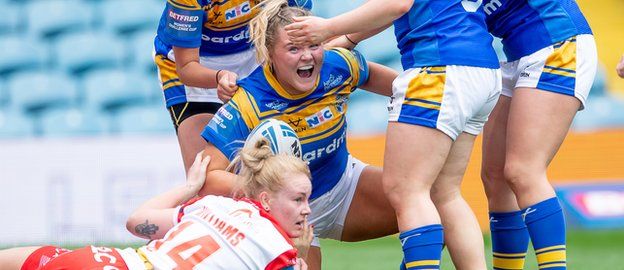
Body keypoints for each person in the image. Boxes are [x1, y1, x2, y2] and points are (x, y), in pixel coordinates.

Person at [284, 1, 502, 269]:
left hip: (439, 65)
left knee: (407, 191)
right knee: (445, 194)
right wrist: (347, 38)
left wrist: (327, 27)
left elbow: (397, 4)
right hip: (481, 67)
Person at [197, 1, 400, 269]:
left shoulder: (336, 65)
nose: (307, 56)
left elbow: (384, 80)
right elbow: (207, 178)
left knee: (428, 207)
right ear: (269, 54)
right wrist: (267, 189)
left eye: (313, 45)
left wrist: (422, 96)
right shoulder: (248, 101)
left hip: (342, 187)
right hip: (281, 212)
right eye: (293, 48)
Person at [0, 139, 313, 270]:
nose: (307, 209)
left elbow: (137, 221)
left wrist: (189, 187)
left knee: (29, 257)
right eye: (298, 198)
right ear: (266, 200)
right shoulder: (278, 252)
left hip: (103, 260)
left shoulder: (213, 204)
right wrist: (299, 255)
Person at [477, 1, 597, 269]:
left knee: (523, 171)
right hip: (516, 54)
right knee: (495, 177)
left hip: (558, 44)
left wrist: (357, 34)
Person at [153, 0, 311, 172]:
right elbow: (186, 68)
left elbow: (302, 30)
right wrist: (219, 76)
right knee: (205, 178)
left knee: (283, 166)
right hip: (194, 67)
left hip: (256, 54)